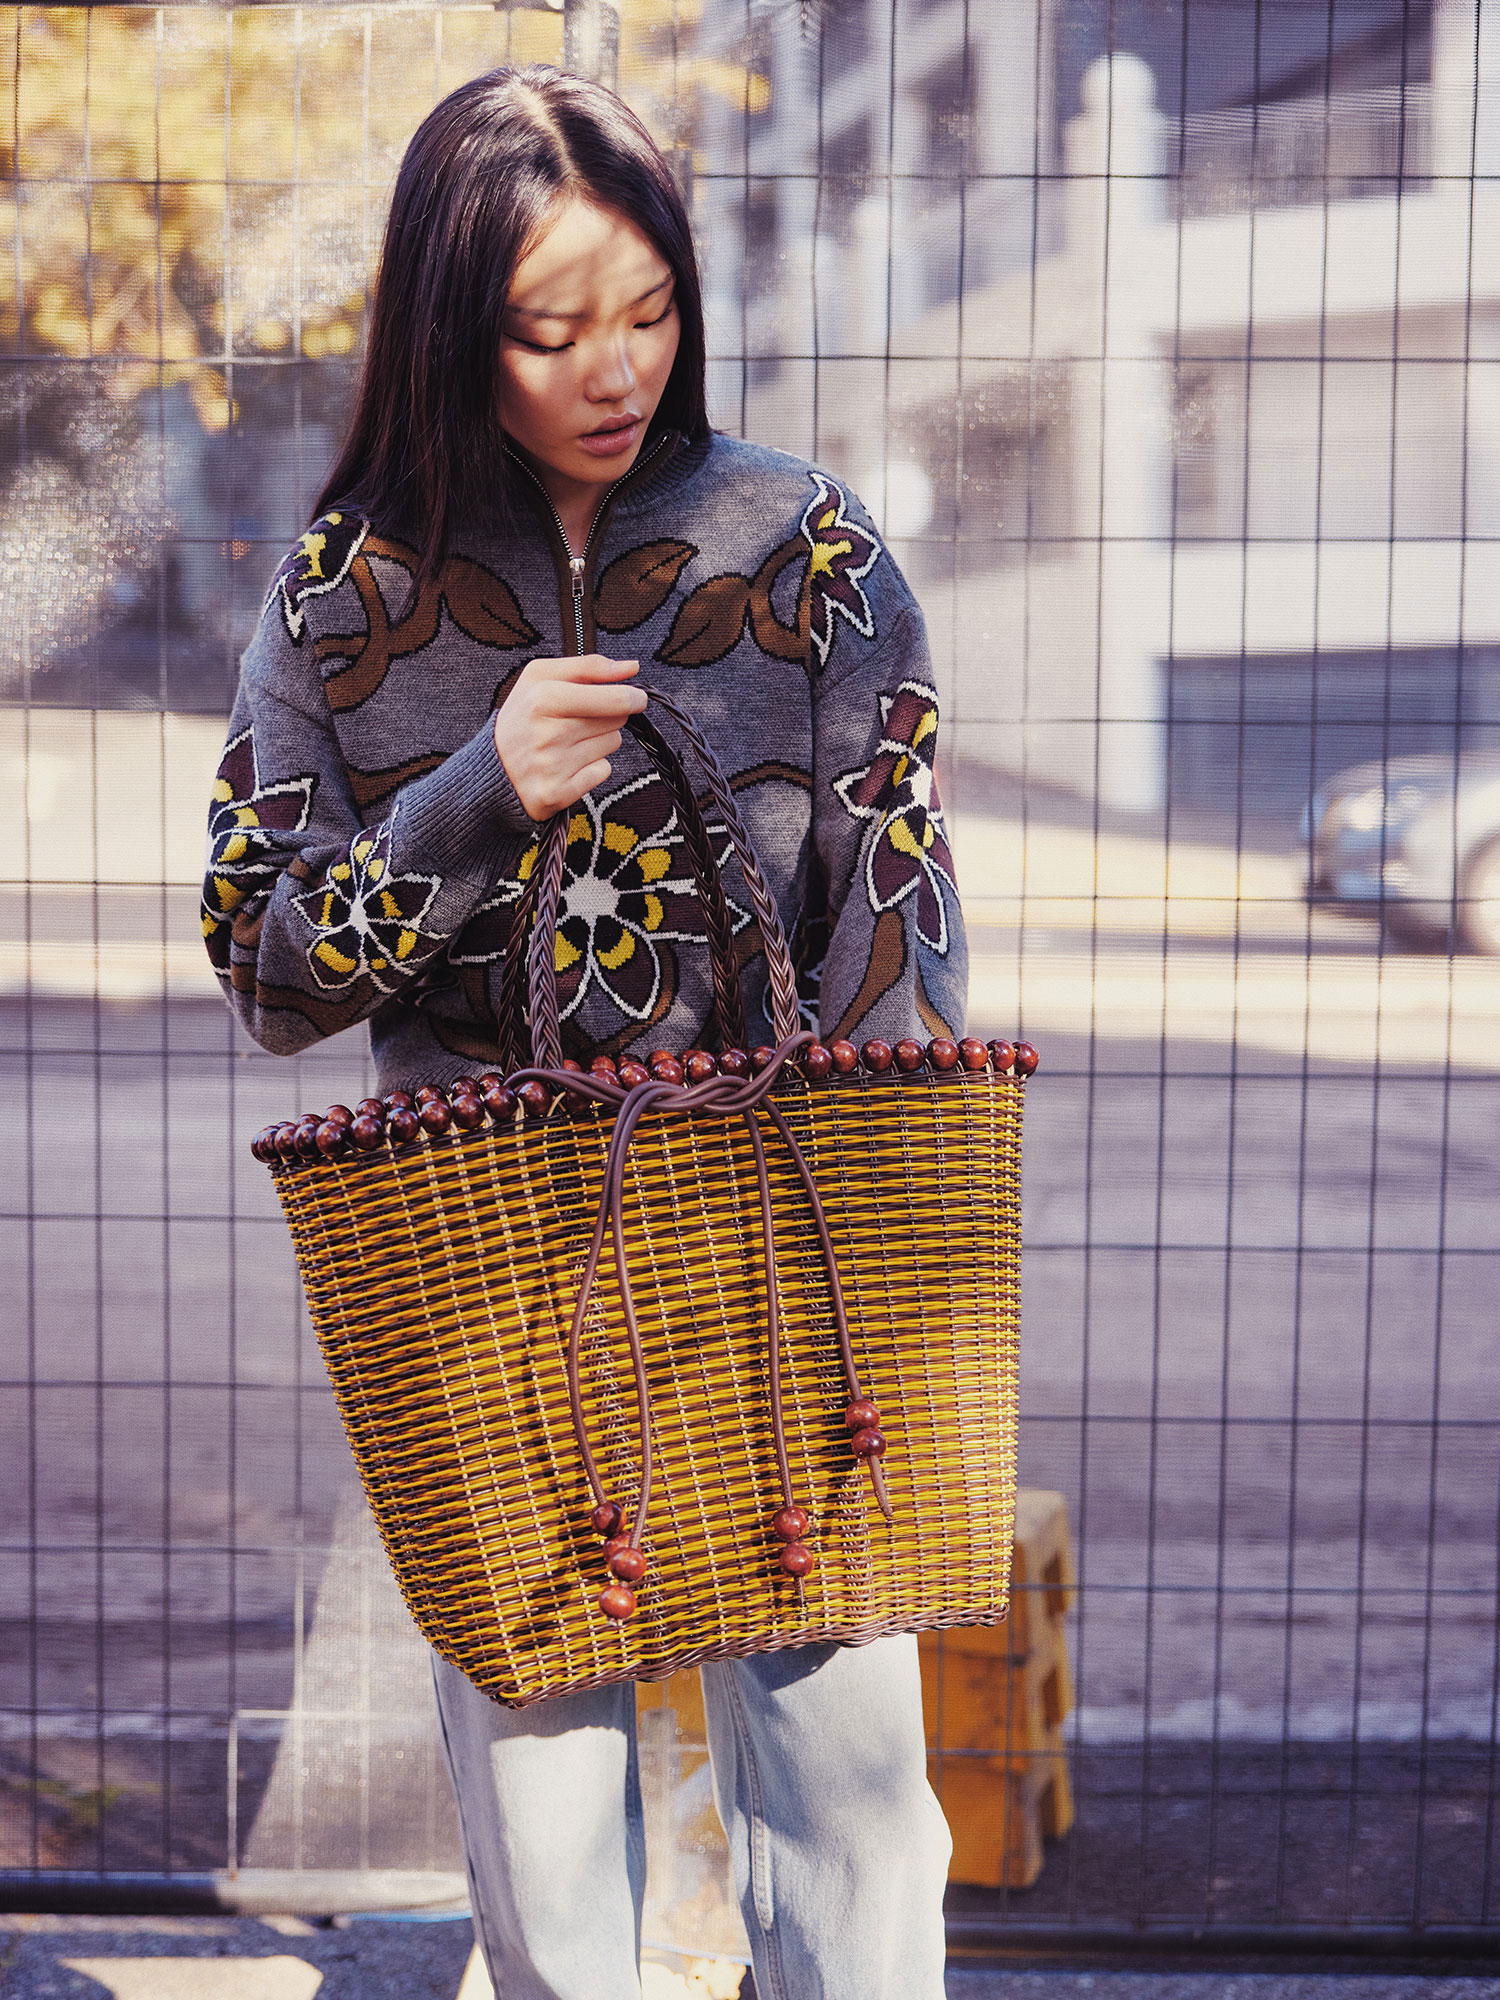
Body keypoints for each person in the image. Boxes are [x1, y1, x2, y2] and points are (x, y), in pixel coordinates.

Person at [202, 62, 967, 2000]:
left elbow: (896, 925)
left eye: (650, 311)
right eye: (551, 330)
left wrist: (869, 1257)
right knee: (545, 1816)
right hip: (493, 1261)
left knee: (853, 1793)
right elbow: (273, 976)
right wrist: (476, 789)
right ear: (454, 328)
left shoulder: (804, 549)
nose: (615, 371)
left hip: (783, 1235)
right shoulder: (346, 596)